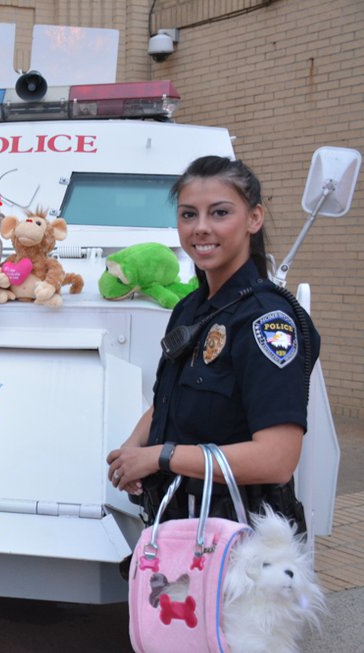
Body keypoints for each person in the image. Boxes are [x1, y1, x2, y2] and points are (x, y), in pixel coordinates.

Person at [106, 155, 320, 529]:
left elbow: (277, 458)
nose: (200, 228)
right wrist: (132, 449)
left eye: (219, 213)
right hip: (178, 529)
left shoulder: (267, 322)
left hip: (243, 547)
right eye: (189, 214)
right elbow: (167, 403)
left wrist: (162, 456)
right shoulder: (190, 308)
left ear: (254, 218)